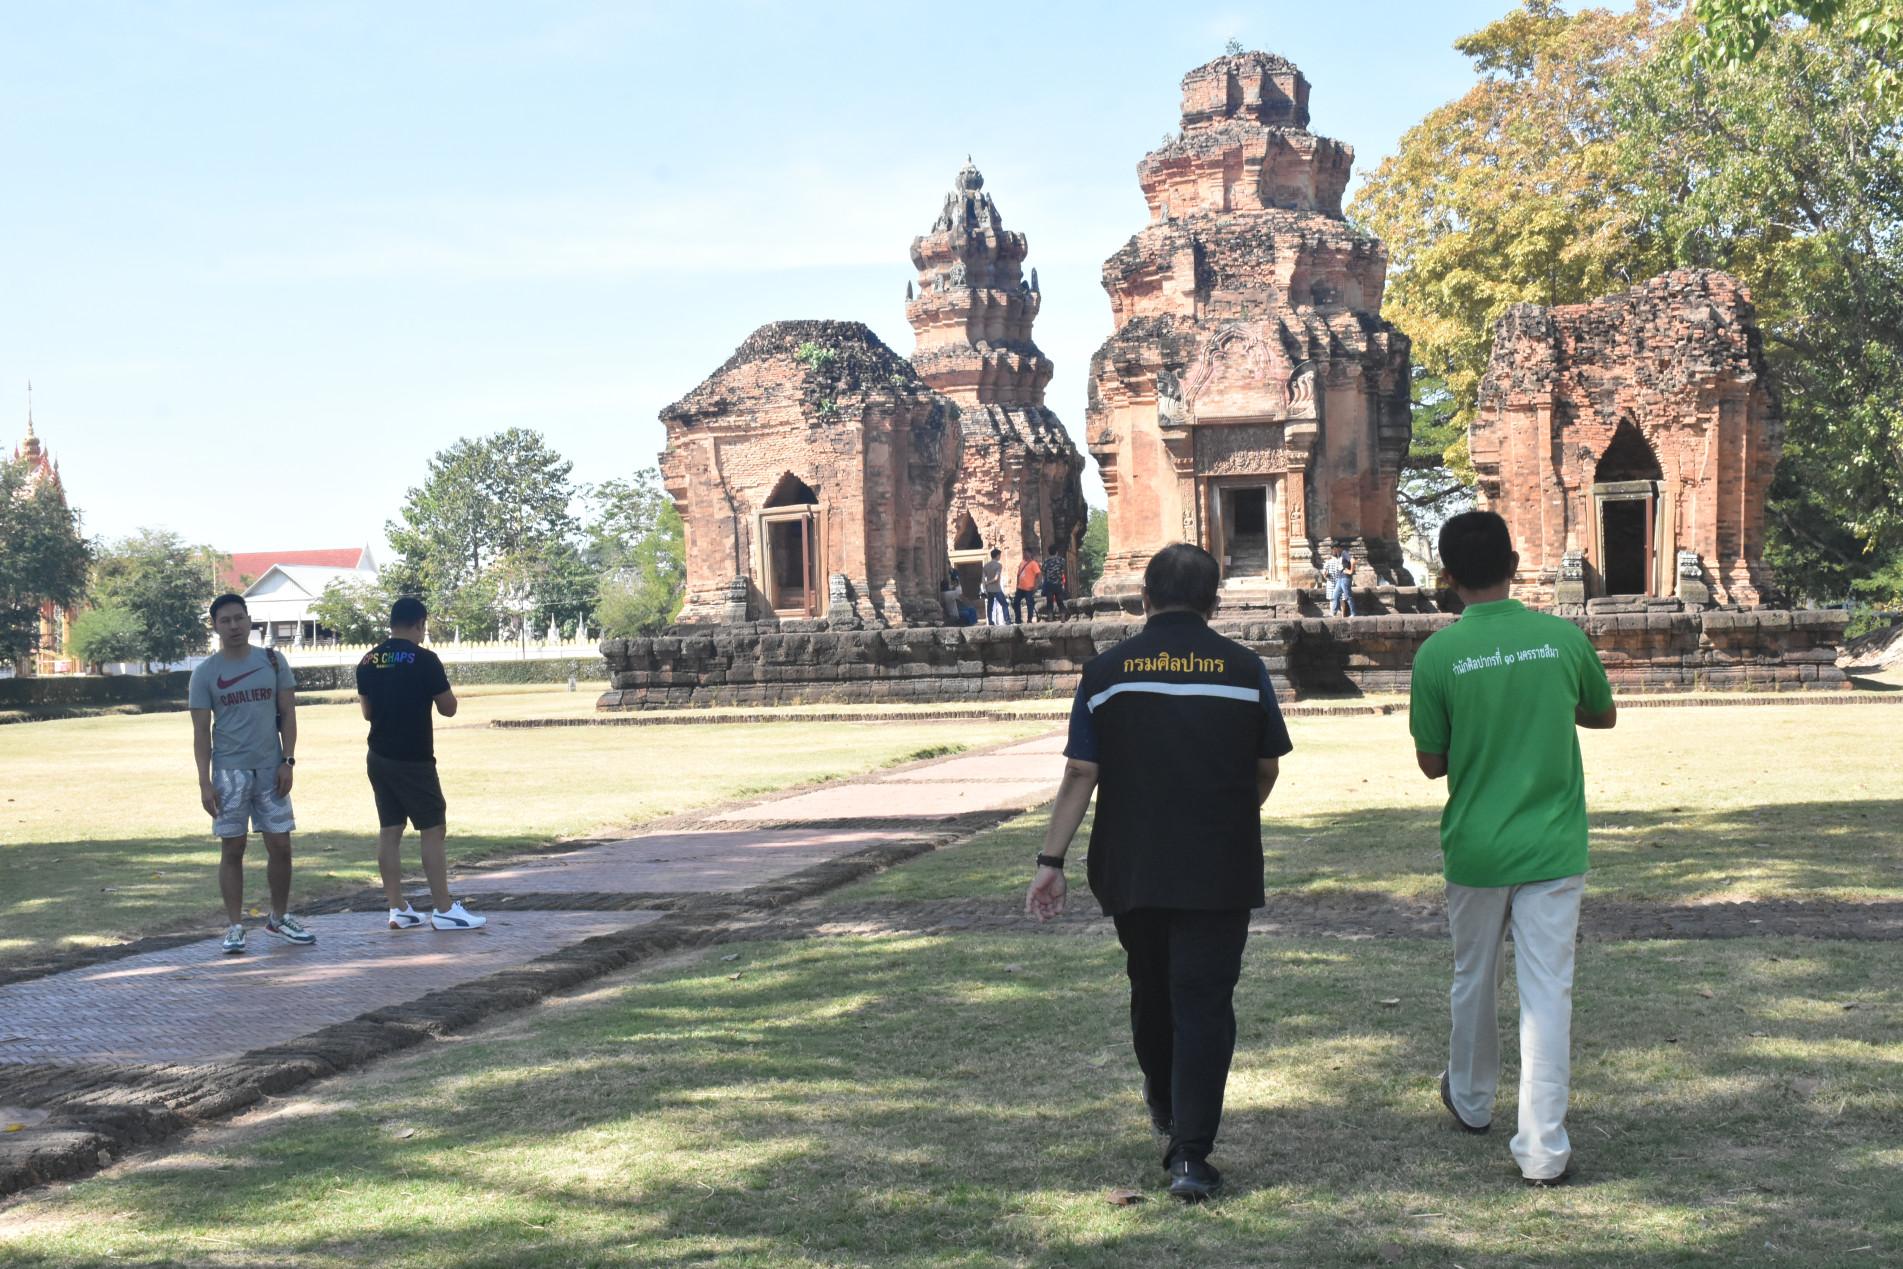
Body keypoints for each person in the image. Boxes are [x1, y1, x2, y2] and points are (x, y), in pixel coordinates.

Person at [1026, 542, 1292, 1201]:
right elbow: (1266, 767)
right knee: (1202, 999)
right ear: (1213, 602)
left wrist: (1049, 860)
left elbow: (1080, 771)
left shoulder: (1106, 671)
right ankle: (1190, 1156)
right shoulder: (1242, 668)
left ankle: (1165, 1102)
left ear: (1143, 599)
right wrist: (1227, 812)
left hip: (1131, 859)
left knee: (1149, 987)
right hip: (1217, 859)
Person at [1410, 510, 1616, 1187]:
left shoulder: (1438, 654)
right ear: (1515, 563)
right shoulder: (1559, 637)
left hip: (1475, 845)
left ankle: (1470, 1101)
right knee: (1546, 990)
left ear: (1447, 576)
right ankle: (1541, 1148)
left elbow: (1432, 762)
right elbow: (1602, 712)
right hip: (1552, 843)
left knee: (1474, 977)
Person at [189, 593, 315, 954]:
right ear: (214, 626)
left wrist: (287, 761)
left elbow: (288, 715)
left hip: (271, 769)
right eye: (225, 620)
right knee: (234, 847)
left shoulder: (273, 662)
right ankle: (234, 926)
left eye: (239, 618)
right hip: (229, 772)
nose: (234, 626)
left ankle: (278, 917)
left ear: (249, 620)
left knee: (281, 845)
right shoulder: (206, 673)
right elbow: (200, 732)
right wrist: (204, 782)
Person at [356, 596, 485, 932]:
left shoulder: (368, 660)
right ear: (420, 624)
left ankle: (398, 908)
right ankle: (443, 909)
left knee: (390, 829)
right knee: (432, 829)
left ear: (391, 622)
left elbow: (367, 712)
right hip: (413, 757)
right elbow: (448, 708)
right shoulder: (425, 659)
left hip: (378, 755)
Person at [981, 547, 1010, 625]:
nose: (1000, 557)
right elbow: (996, 578)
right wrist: (989, 582)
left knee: (990, 606)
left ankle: (990, 621)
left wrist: (985, 588)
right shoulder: (998, 565)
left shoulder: (986, 566)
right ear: (997, 556)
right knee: (1004, 604)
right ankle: (1007, 620)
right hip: (996, 588)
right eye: (999, 555)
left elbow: (983, 579)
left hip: (989, 589)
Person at [1012, 551, 1043, 623]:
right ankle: (1018, 619)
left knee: (1029, 604)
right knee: (1016, 602)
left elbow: (1039, 574)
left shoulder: (1033, 564)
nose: (1025, 554)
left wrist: (1037, 585)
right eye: (1024, 553)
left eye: (1027, 553)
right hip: (1020, 587)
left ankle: (1029, 619)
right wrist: (1017, 585)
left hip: (1029, 587)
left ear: (1030, 554)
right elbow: (1018, 575)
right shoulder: (1022, 563)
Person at [1040, 548, 1068, 621]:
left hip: (1050, 583)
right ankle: (1062, 618)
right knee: (1060, 601)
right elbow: (1063, 571)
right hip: (1059, 583)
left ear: (1049, 553)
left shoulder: (1046, 561)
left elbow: (1043, 572)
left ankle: (1050, 618)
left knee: (1049, 601)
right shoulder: (1061, 560)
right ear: (1057, 552)